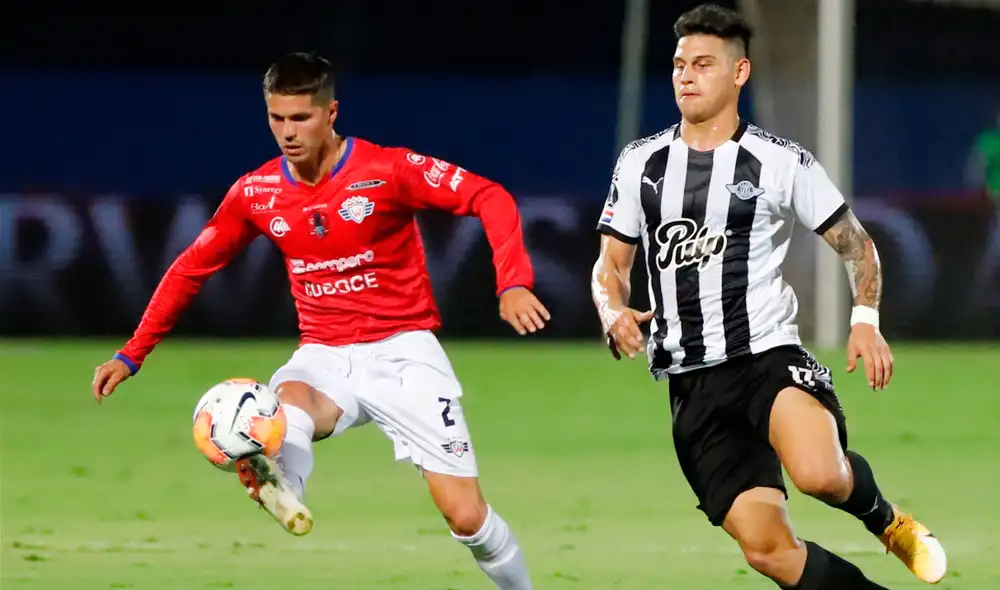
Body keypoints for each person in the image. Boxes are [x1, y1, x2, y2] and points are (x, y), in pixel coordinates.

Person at [91, 52, 546, 590]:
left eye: (300, 118)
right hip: (323, 351)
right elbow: (193, 266)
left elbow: (487, 196)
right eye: (276, 118)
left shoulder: (387, 170)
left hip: (403, 350)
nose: (287, 132)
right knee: (289, 403)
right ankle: (282, 484)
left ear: (331, 113)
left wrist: (512, 281)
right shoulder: (257, 193)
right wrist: (132, 352)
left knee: (466, 518)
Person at [590, 4, 946, 589]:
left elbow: (859, 247)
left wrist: (865, 319)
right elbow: (611, 263)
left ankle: (885, 520)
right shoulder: (640, 164)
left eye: (703, 64)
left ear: (740, 73)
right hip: (691, 384)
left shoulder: (780, 161)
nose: (686, 75)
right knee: (769, 552)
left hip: (766, 358)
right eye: (680, 63)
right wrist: (612, 309)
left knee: (819, 475)